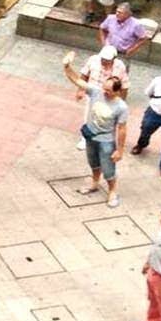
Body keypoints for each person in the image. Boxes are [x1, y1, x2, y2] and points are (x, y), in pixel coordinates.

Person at [62, 51, 129, 208]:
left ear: (117, 91)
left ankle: (112, 191)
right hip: (90, 135)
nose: (104, 92)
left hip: (106, 140)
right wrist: (66, 66)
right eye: (104, 88)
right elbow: (77, 80)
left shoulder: (121, 107)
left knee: (108, 168)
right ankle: (94, 182)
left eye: (109, 91)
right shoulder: (96, 91)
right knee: (93, 162)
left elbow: (122, 129)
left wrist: (119, 150)